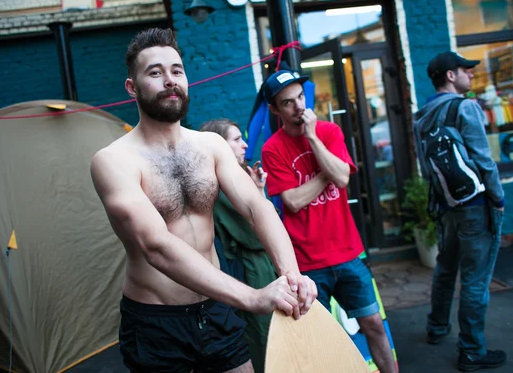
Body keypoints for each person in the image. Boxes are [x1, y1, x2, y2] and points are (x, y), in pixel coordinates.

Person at [90, 28, 317, 373]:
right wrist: (252, 297)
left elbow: (257, 207)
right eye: (155, 72)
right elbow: (156, 245)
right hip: (157, 320)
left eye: (176, 71)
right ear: (132, 88)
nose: (169, 80)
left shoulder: (210, 145)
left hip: (216, 309)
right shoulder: (113, 160)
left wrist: (291, 274)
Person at [261, 70, 397, 373]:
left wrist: (312, 139)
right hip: (307, 263)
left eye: (300, 98)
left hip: (348, 254)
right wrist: (329, 172)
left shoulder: (328, 131)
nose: (298, 107)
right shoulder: (272, 149)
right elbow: (293, 202)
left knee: (373, 324)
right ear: (274, 109)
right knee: (321, 339)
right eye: (287, 103)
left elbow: (344, 178)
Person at [412, 51, 506, 372]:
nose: (471, 74)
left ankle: (437, 328)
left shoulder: (421, 115)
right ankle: (471, 350)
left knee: (446, 268)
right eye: (466, 69)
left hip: (445, 205)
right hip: (474, 205)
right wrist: (498, 197)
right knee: (475, 279)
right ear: (450, 76)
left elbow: (426, 170)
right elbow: (483, 160)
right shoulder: (465, 107)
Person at [199, 118, 278, 373]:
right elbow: (257, 236)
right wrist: (257, 198)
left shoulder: (231, 178)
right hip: (249, 271)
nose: (245, 145)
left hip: (251, 267)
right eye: (236, 140)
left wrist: (258, 192)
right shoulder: (223, 186)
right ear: (219, 145)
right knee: (264, 338)